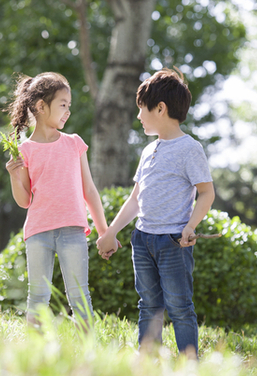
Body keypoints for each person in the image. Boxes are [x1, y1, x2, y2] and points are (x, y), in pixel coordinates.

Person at [96, 68, 215, 358]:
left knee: (179, 306)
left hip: (173, 241)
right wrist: (111, 232)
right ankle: (149, 362)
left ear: (160, 108)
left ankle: (190, 364)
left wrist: (190, 226)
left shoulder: (190, 149)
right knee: (148, 304)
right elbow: (136, 199)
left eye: (142, 110)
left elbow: (207, 193)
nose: (139, 117)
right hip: (142, 240)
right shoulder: (149, 151)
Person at [4, 71, 111, 328]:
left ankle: (88, 355)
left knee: (80, 297)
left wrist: (104, 231)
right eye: (63, 105)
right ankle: (36, 356)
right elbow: (24, 201)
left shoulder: (74, 143)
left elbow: (89, 190)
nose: (68, 111)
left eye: (69, 106)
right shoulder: (24, 150)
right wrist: (13, 175)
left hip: (73, 231)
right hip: (38, 232)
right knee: (38, 298)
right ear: (41, 106)